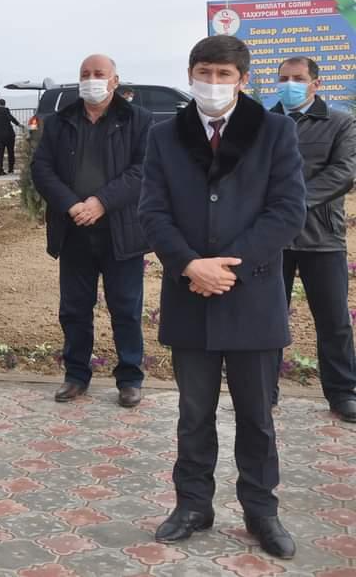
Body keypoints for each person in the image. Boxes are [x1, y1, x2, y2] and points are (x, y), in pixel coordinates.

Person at [139, 35, 305, 559]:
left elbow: (287, 210)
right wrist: (190, 264)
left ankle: (261, 510)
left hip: (250, 294)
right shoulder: (165, 135)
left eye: (224, 75)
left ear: (243, 79)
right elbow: (152, 211)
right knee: (194, 413)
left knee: (257, 415)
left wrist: (228, 267)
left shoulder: (274, 131)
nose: (212, 83)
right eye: (204, 73)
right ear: (190, 74)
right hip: (189, 291)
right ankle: (193, 505)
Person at [31, 55, 152, 408]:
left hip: (121, 231)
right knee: (74, 309)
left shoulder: (138, 120)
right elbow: (42, 169)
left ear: (115, 80)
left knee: (126, 308)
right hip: (74, 231)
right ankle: (76, 375)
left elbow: (143, 170)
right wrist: (72, 205)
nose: (91, 79)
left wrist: (101, 202)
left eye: (99, 74)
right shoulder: (59, 121)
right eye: (85, 74)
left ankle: (130, 378)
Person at [269, 57, 356, 421]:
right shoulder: (264, 123)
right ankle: (263, 390)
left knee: (333, 320)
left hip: (322, 237)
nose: (290, 84)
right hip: (271, 238)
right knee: (268, 318)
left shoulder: (340, 122)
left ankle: (343, 392)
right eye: (284, 78)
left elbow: (344, 172)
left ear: (315, 84)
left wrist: (295, 203)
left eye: (298, 78)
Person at [0, 98, 21, 175]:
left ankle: (0, 170)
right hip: (9, 135)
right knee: (11, 152)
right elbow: (12, 119)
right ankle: (11, 169)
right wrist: (19, 124)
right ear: (4, 104)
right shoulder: (6, 111)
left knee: (0, 153)